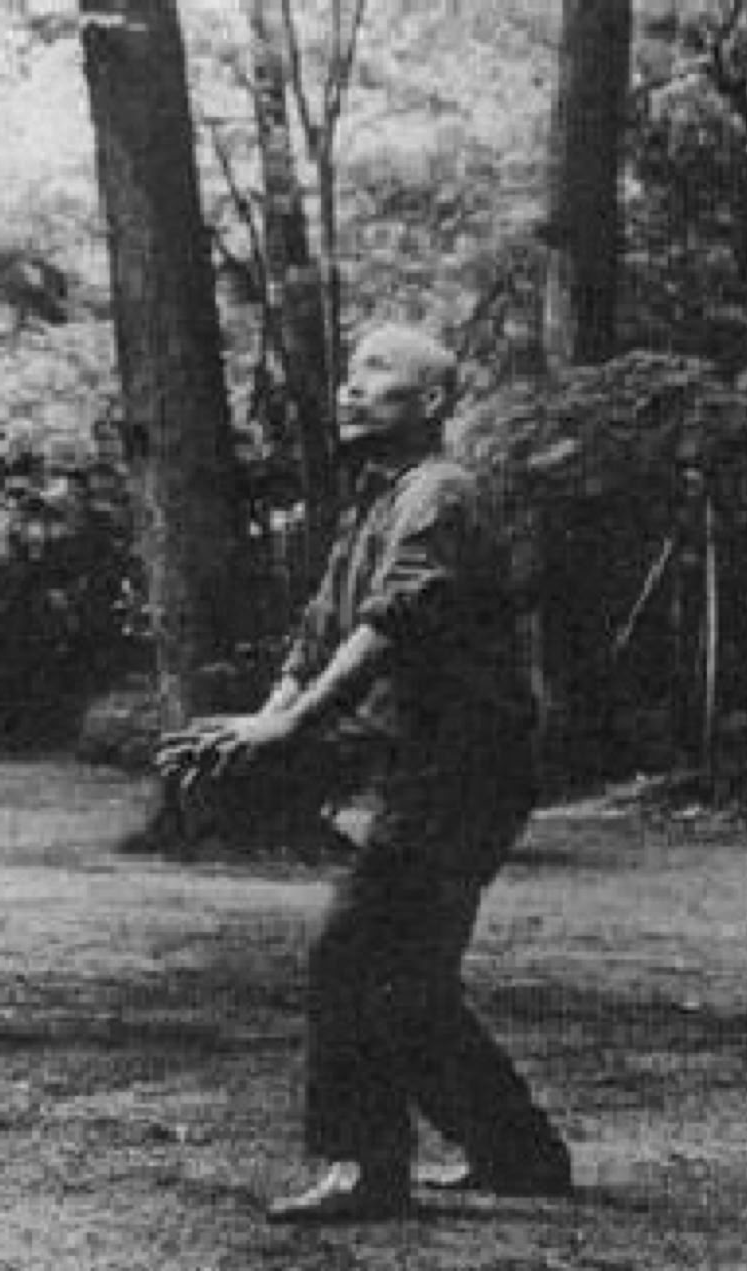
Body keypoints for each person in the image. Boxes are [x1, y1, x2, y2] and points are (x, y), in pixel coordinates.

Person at [212, 323, 572, 1223]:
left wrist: (293, 723)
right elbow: (318, 633)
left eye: (378, 371)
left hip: (464, 771)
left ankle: (363, 1166)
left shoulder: (440, 495)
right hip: (427, 770)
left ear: (435, 401)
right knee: (408, 978)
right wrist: (269, 715)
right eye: (351, 370)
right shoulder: (378, 504)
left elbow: (389, 623)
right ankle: (520, 1153)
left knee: (353, 952)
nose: (351, 386)